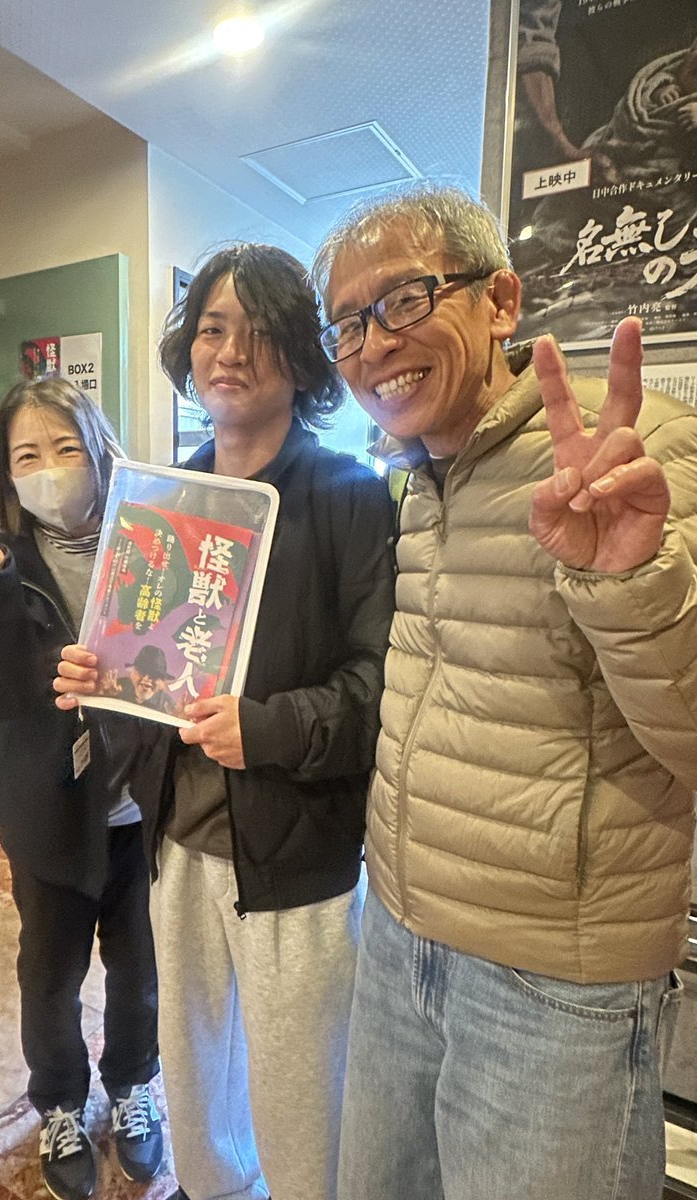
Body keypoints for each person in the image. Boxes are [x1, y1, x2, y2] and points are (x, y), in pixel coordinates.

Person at [310, 182, 697, 1200]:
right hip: (399, 934)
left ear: (501, 300)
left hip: (552, 984)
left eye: (405, 300)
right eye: (347, 325)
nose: (374, 345)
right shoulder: (414, 480)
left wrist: (632, 581)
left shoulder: (634, 452)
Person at [54, 243, 396, 1200]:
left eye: (258, 331)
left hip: (298, 859)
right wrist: (104, 679)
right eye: (211, 328)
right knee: (197, 1094)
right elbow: (151, 680)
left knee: (301, 1106)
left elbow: (381, 685)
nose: (230, 351)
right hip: (178, 846)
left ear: (301, 355)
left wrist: (269, 728)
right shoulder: (167, 501)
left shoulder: (349, 495)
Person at [0, 377, 163, 1200]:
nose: (49, 469)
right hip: (50, 816)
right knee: (50, 979)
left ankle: (134, 1084)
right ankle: (58, 1102)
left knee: (140, 972)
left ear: (100, 450)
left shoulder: (148, 543)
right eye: (27, 456)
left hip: (146, 810)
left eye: (65, 447)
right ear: (7, 474)